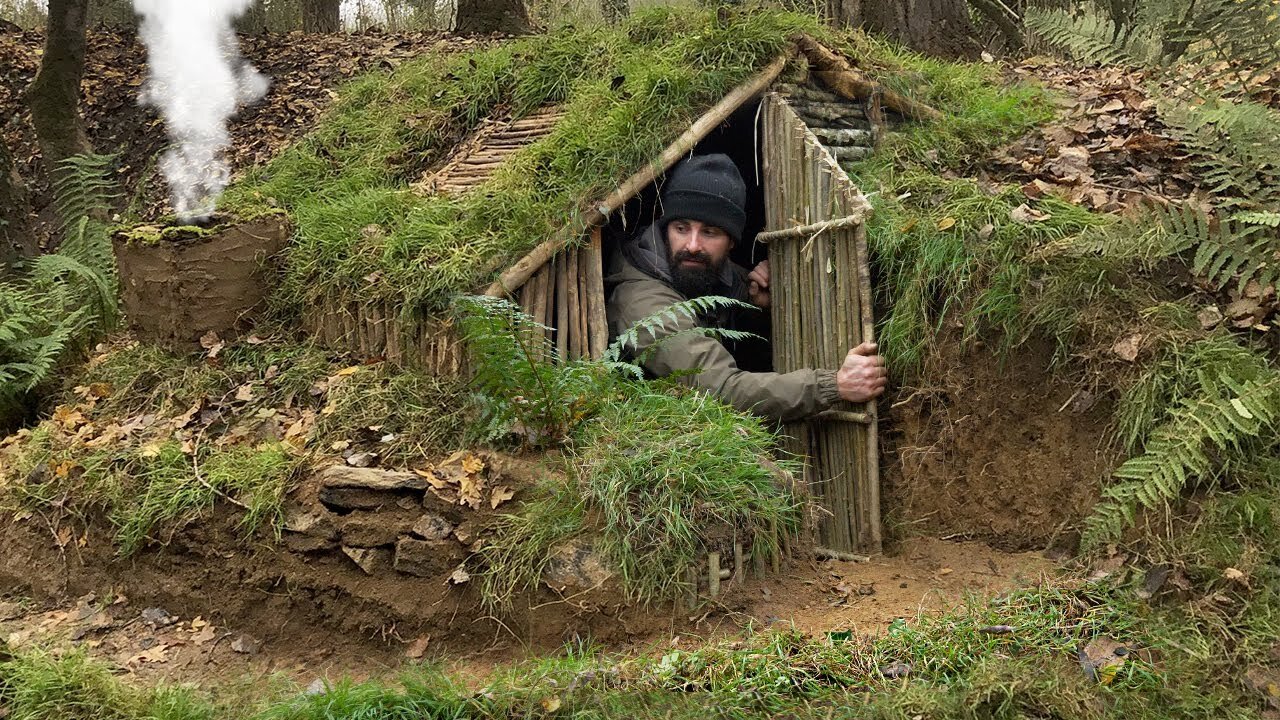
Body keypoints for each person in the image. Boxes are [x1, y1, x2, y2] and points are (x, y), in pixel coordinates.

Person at [604, 153, 887, 424]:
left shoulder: (717, 276)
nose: (692, 245)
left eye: (709, 232)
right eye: (681, 228)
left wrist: (756, 309)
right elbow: (719, 389)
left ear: (732, 242)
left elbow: (752, 357)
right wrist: (831, 386)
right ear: (665, 229)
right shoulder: (642, 303)